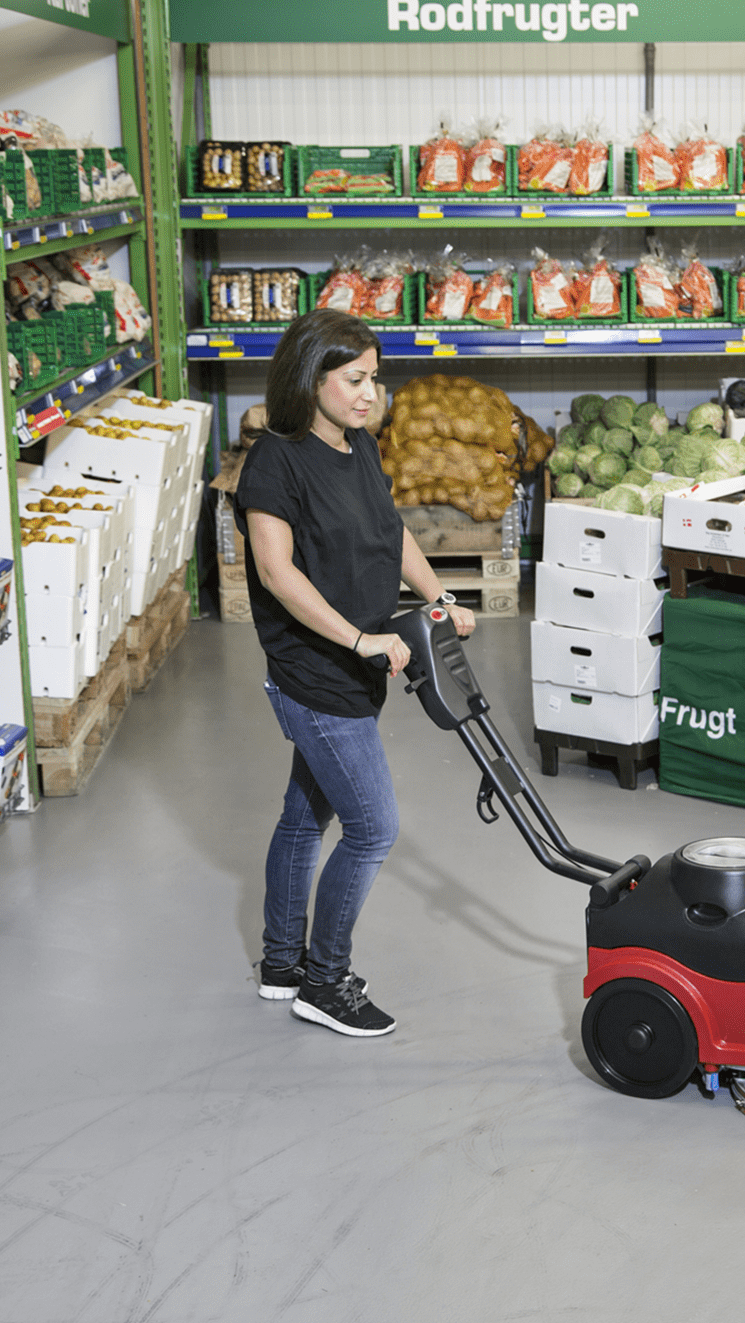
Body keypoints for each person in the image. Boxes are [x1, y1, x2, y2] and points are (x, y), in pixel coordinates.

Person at [234, 308, 475, 1037]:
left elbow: (390, 529)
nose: (372, 392)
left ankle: (281, 961)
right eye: (355, 378)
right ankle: (324, 981)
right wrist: (360, 638)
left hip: (358, 667)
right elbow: (277, 575)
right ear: (312, 378)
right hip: (315, 671)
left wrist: (440, 596)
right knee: (372, 828)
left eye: (376, 378)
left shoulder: (360, 446)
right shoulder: (274, 462)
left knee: (305, 816)